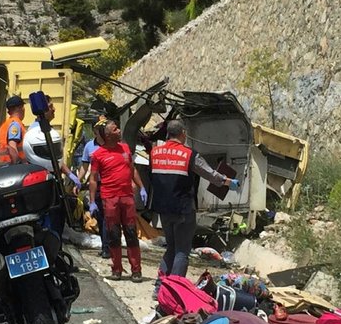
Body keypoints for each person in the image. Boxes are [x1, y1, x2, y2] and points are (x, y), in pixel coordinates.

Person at [150, 119, 239, 297]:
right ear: (183, 133)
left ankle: (159, 288)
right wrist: (228, 182)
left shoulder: (155, 152)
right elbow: (210, 174)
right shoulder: (189, 154)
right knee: (182, 251)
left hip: (163, 209)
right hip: (183, 209)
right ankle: (173, 292)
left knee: (171, 248)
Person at [88, 119, 148, 281]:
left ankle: (136, 270)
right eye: (115, 129)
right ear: (108, 135)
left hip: (127, 197)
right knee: (114, 234)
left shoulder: (125, 149)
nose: (119, 131)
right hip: (109, 198)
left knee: (131, 233)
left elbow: (132, 169)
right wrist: (92, 201)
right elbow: (93, 179)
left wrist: (141, 186)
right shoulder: (98, 155)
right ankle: (116, 270)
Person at [27, 94, 81, 191]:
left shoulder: (46, 129)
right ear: (43, 110)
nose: (54, 109)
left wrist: (70, 174)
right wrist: (69, 174)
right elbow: (51, 158)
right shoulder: (37, 131)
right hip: (44, 180)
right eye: (51, 106)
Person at [77, 117, 110, 258]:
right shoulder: (89, 146)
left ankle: (108, 248)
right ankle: (105, 246)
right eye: (98, 129)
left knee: (108, 217)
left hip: (110, 185)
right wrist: (77, 181)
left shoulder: (111, 145)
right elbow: (84, 167)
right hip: (96, 185)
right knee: (101, 217)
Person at [0, 95, 26, 165]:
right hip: (14, 165)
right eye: (23, 107)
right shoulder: (15, 124)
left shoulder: (6, 124)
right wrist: (16, 165)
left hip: (5, 164)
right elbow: (12, 146)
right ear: (19, 108)